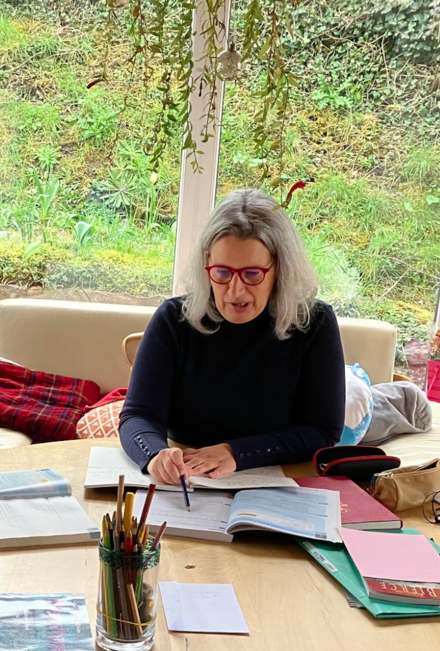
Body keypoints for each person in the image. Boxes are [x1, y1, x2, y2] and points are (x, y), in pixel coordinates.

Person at [118, 188, 344, 484]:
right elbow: (138, 415)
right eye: (222, 273)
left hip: (277, 480)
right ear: (206, 264)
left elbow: (323, 431)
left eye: (252, 274)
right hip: (190, 480)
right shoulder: (172, 320)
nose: (235, 292)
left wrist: (236, 452)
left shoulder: (315, 323)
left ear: (280, 269)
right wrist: (155, 454)